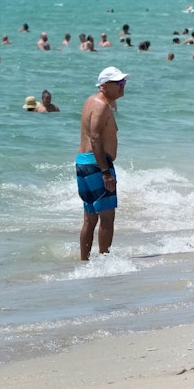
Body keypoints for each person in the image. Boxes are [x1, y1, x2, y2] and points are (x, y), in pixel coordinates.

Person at [77, 66, 129, 261]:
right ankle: (104, 263)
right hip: (98, 164)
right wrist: (106, 173)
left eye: (124, 82)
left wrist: (112, 99)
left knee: (90, 218)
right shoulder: (101, 105)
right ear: (105, 86)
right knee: (107, 218)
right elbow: (96, 138)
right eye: (120, 83)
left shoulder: (93, 101)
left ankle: (85, 263)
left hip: (84, 163)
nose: (124, 86)